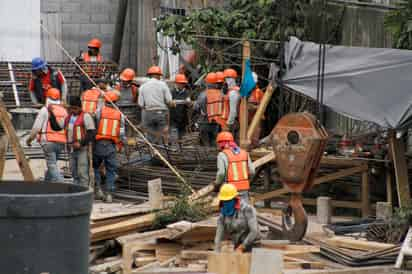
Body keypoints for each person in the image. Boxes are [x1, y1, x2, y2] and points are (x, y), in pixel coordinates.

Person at [26, 88, 68, 183]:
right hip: (61, 142)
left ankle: (60, 184)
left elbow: (36, 128)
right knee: (53, 163)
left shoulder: (45, 110)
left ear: (47, 97)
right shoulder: (64, 111)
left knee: (51, 165)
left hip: (48, 141)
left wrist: (29, 140)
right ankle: (47, 182)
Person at [94, 91, 126, 202]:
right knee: (111, 170)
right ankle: (109, 194)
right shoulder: (120, 115)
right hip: (111, 145)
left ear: (105, 101)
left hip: (98, 144)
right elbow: (121, 133)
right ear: (115, 102)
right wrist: (121, 144)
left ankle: (98, 190)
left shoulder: (99, 112)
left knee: (96, 167)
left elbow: (94, 127)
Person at [214, 184, 259, 253]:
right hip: (237, 244)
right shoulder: (223, 214)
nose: (226, 203)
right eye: (224, 201)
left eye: (228, 200)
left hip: (253, 244)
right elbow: (219, 234)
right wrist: (216, 250)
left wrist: (242, 247)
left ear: (235, 198)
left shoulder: (247, 209)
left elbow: (254, 231)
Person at [213, 131, 255, 204]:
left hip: (230, 189)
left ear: (221, 143)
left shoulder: (222, 155)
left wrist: (217, 184)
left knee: (231, 211)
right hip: (244, 188)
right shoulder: (244, 153)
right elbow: (252, 171)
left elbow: (221, 173)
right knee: (244, 210)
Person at [138, 66, 175, 144]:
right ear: (158, 75)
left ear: (149, 75)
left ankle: (152, 153)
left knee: (150, 136)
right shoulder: (163, 85)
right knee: (162, 134)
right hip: (161, 113)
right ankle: (163, 151)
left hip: (148, 114)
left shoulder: (142, 86)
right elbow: (169, 101)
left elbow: (141, 104)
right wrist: (172, 104)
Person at [65, 96, 96, 187]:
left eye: (75, 108)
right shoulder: (68, 118)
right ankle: (76, 191)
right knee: (74, 172)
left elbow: (91, 133)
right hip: (71, 148)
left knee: (82, 172)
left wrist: (81, 143)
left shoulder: (86, 116)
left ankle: (84, 190)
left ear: (80, 108)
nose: (73, 110)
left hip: (82, 149)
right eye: (72, 108)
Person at [194, 72, 225, 147]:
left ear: (207, 83)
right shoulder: (221, 94)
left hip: (204, 122)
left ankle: (206, 157)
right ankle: (213, 157)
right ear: (216, 83)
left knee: (205, 144)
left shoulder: (203, 94)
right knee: (214, 142)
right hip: (216, 123)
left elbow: (196, 107)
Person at [170, 73, 191, 141]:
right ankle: (173, 147)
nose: (182, 85)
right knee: (173, 136)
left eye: (183, 83)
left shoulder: (186, 92)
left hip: (183, 118)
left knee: (181, 136)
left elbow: (189, 104)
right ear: (176, 83)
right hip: (173, 118)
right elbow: (168, 102)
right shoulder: (172, 92)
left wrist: (188, 102)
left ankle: (180, 148)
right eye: (180, 83)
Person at [222, 68, 241, 139]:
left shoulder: (233, 93)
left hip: (232, 122)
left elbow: (233, 111)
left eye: (226, 79)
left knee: (230, 143)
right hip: (232, 121)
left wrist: (228, 124)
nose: (225, 81)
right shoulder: (233, 91)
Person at [247, 72, 264, 147]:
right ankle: (248, 144)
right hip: (247, 115)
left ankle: (254, 144)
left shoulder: (258, 92)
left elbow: (263, 105)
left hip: (256, 115)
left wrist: (253, 107)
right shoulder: (246, 92)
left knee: (256, 130)